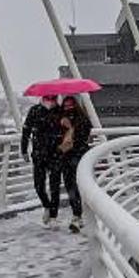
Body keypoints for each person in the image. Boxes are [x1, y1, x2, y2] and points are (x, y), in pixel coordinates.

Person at [21, 95, 61, 225]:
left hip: (56, 154)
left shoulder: (59, 111)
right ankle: (47, 205)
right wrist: (24, 150)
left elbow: (67, 131)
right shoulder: (35, 110)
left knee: (55, 186)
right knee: (38, 185)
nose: (50, 100)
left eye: (53, 97)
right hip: (39, 154)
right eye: (48, 97)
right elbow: (26, 131)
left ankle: (54, 216)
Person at [55, 95, 92, 233]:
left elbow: (83, 137)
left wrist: (71, 128)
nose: (68, 109)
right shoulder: (60, 121)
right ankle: (77, 215)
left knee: (79, 186)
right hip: (67, 158)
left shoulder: (82, 120)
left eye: (70, 106)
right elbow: (55, 139)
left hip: (79, 157)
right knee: (71, 186)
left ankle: (80, 214)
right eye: (66, 106)